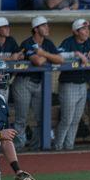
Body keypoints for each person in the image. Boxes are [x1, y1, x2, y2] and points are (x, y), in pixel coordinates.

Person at [13, 16, 63, 151]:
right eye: (43, 26)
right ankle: (17, 147)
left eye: (47, 25)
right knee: (21, 118)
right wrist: (47, 57)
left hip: (40, 84)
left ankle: (36, 148)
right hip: (24, 82)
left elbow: (60, 59)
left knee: (42, 117)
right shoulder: (27, 43)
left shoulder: (48, 43)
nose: (47, 28)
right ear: (35, 29)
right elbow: (38, 62)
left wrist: (43, 53)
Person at [55, 19, 90, 151]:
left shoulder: (89, 42)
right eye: (84, 29)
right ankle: (57, 147)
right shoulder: (68, 42)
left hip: (82, 85)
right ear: (75, 31)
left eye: (87, 29)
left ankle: (69, 146)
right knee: (67, 119)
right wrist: (75, 53)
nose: (87, 31)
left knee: (75, 120)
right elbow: (58, 55)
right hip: (68, 85)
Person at [0, 17, 22, 102]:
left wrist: (18, 55)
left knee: (2, 108)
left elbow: (21, 54)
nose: (8, 29)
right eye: (5, 27)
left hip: (4, 82)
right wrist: (9, 58)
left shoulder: (10, 40)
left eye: (8, 26)